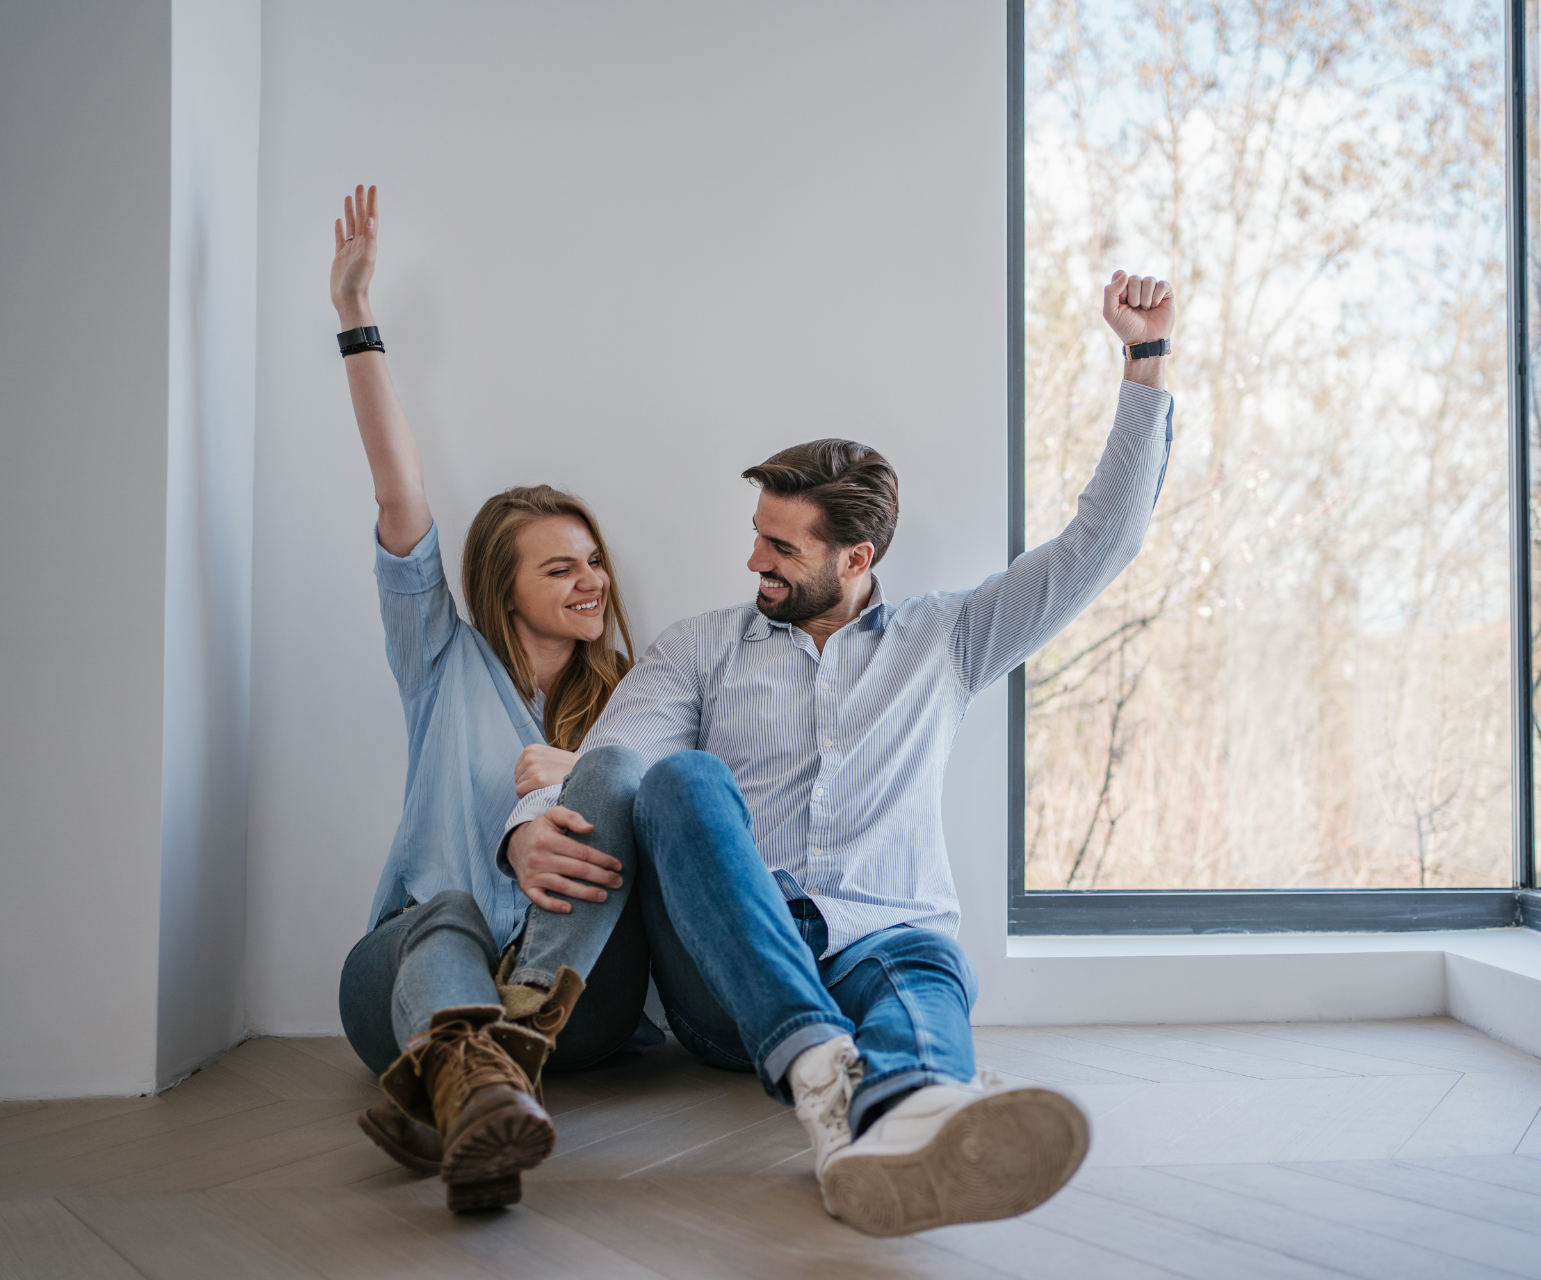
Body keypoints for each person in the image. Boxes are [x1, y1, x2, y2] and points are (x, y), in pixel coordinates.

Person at [496, 267, 1176, 1235]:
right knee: (685, 778)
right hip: (731, 966)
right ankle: (839, 1068)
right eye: (756, 537)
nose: (753, 562)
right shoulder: (699, 648)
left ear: (856, 559)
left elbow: (1099, 543)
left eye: (781, 547)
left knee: (920, 974)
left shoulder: (947, 639)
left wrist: (1145, 362)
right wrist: (523, 827)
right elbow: (612, 760)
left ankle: (897, 1118)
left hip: (883, 939)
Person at [325, 185, 654, 1212]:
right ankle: (482, 1091)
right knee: (450, 911)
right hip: (407, 974)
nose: (590, 580)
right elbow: (398, 491)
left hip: (576, 1004)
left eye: (592, 560)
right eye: (559, 568)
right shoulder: (441, 660)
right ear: (498, 585)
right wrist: (355, 319)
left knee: (620, 777)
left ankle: (468, 1084)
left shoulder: (634, 704)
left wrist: (578, 769)